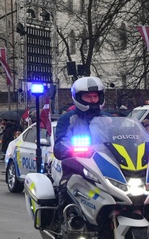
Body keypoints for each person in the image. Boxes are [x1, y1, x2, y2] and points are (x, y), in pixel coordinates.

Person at [53, 76, 110, 225]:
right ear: (79, 98)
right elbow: (59, 145)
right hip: (77, 167)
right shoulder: (68, 119)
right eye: (88, 96)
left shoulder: (109, 119)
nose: (92, 100)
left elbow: (125, 139)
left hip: (106, 168)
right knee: (67, 186)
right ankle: (67, 222)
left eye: (95, 96)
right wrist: (72, 150)